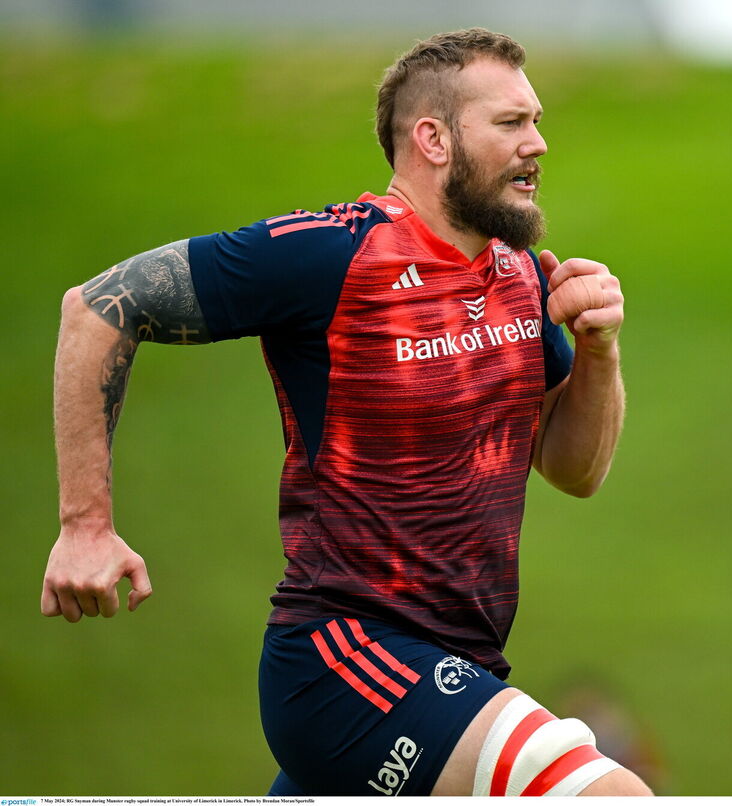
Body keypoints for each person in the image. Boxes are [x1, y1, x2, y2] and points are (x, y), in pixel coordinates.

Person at [42, 28, 651, 797]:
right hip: (341, 661)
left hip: (458, 671)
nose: (539, 143)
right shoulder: (330, 254)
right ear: (432, 138)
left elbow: (573, 470)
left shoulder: (521, 276)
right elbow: (98, 306)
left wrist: (598, 351)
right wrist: (84, 526)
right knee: (608, 795)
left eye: (535, 120)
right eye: (511, 124)